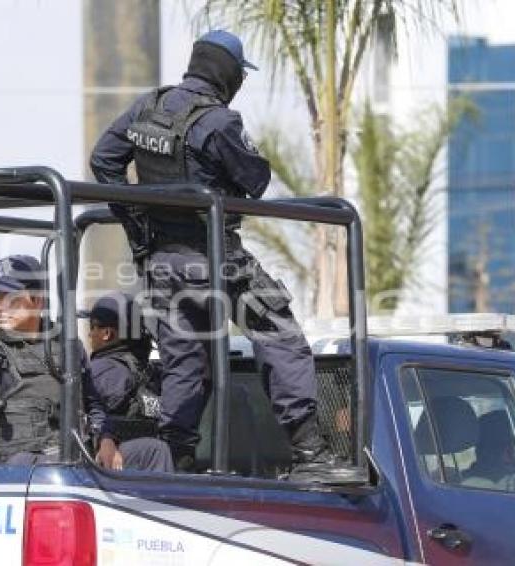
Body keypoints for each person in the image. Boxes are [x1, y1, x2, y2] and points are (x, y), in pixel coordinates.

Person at [90, 29, 342, 476]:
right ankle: (309, 451)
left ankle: (178, 459)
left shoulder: (147, 106)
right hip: (216, 260)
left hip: (162, 264)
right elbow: (256, 180)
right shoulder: (219, 122)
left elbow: (104, 160)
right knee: (279, 334)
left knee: (184, 358)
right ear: (228, 74)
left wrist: (138, 223)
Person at [0, 255, 172, 482]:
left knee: (153, 452)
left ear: (38, 301)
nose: (1, 307)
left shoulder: (68, 346)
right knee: (57, 470)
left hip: (71, 453)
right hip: (19, 460)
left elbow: (92, 402)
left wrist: (106, 439)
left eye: (12, 299)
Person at [80, 292, 163, 443]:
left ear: (107, 333)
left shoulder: (101, 370)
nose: (90, 334)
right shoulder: (152, 370)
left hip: (112, 461)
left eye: (93, 327)